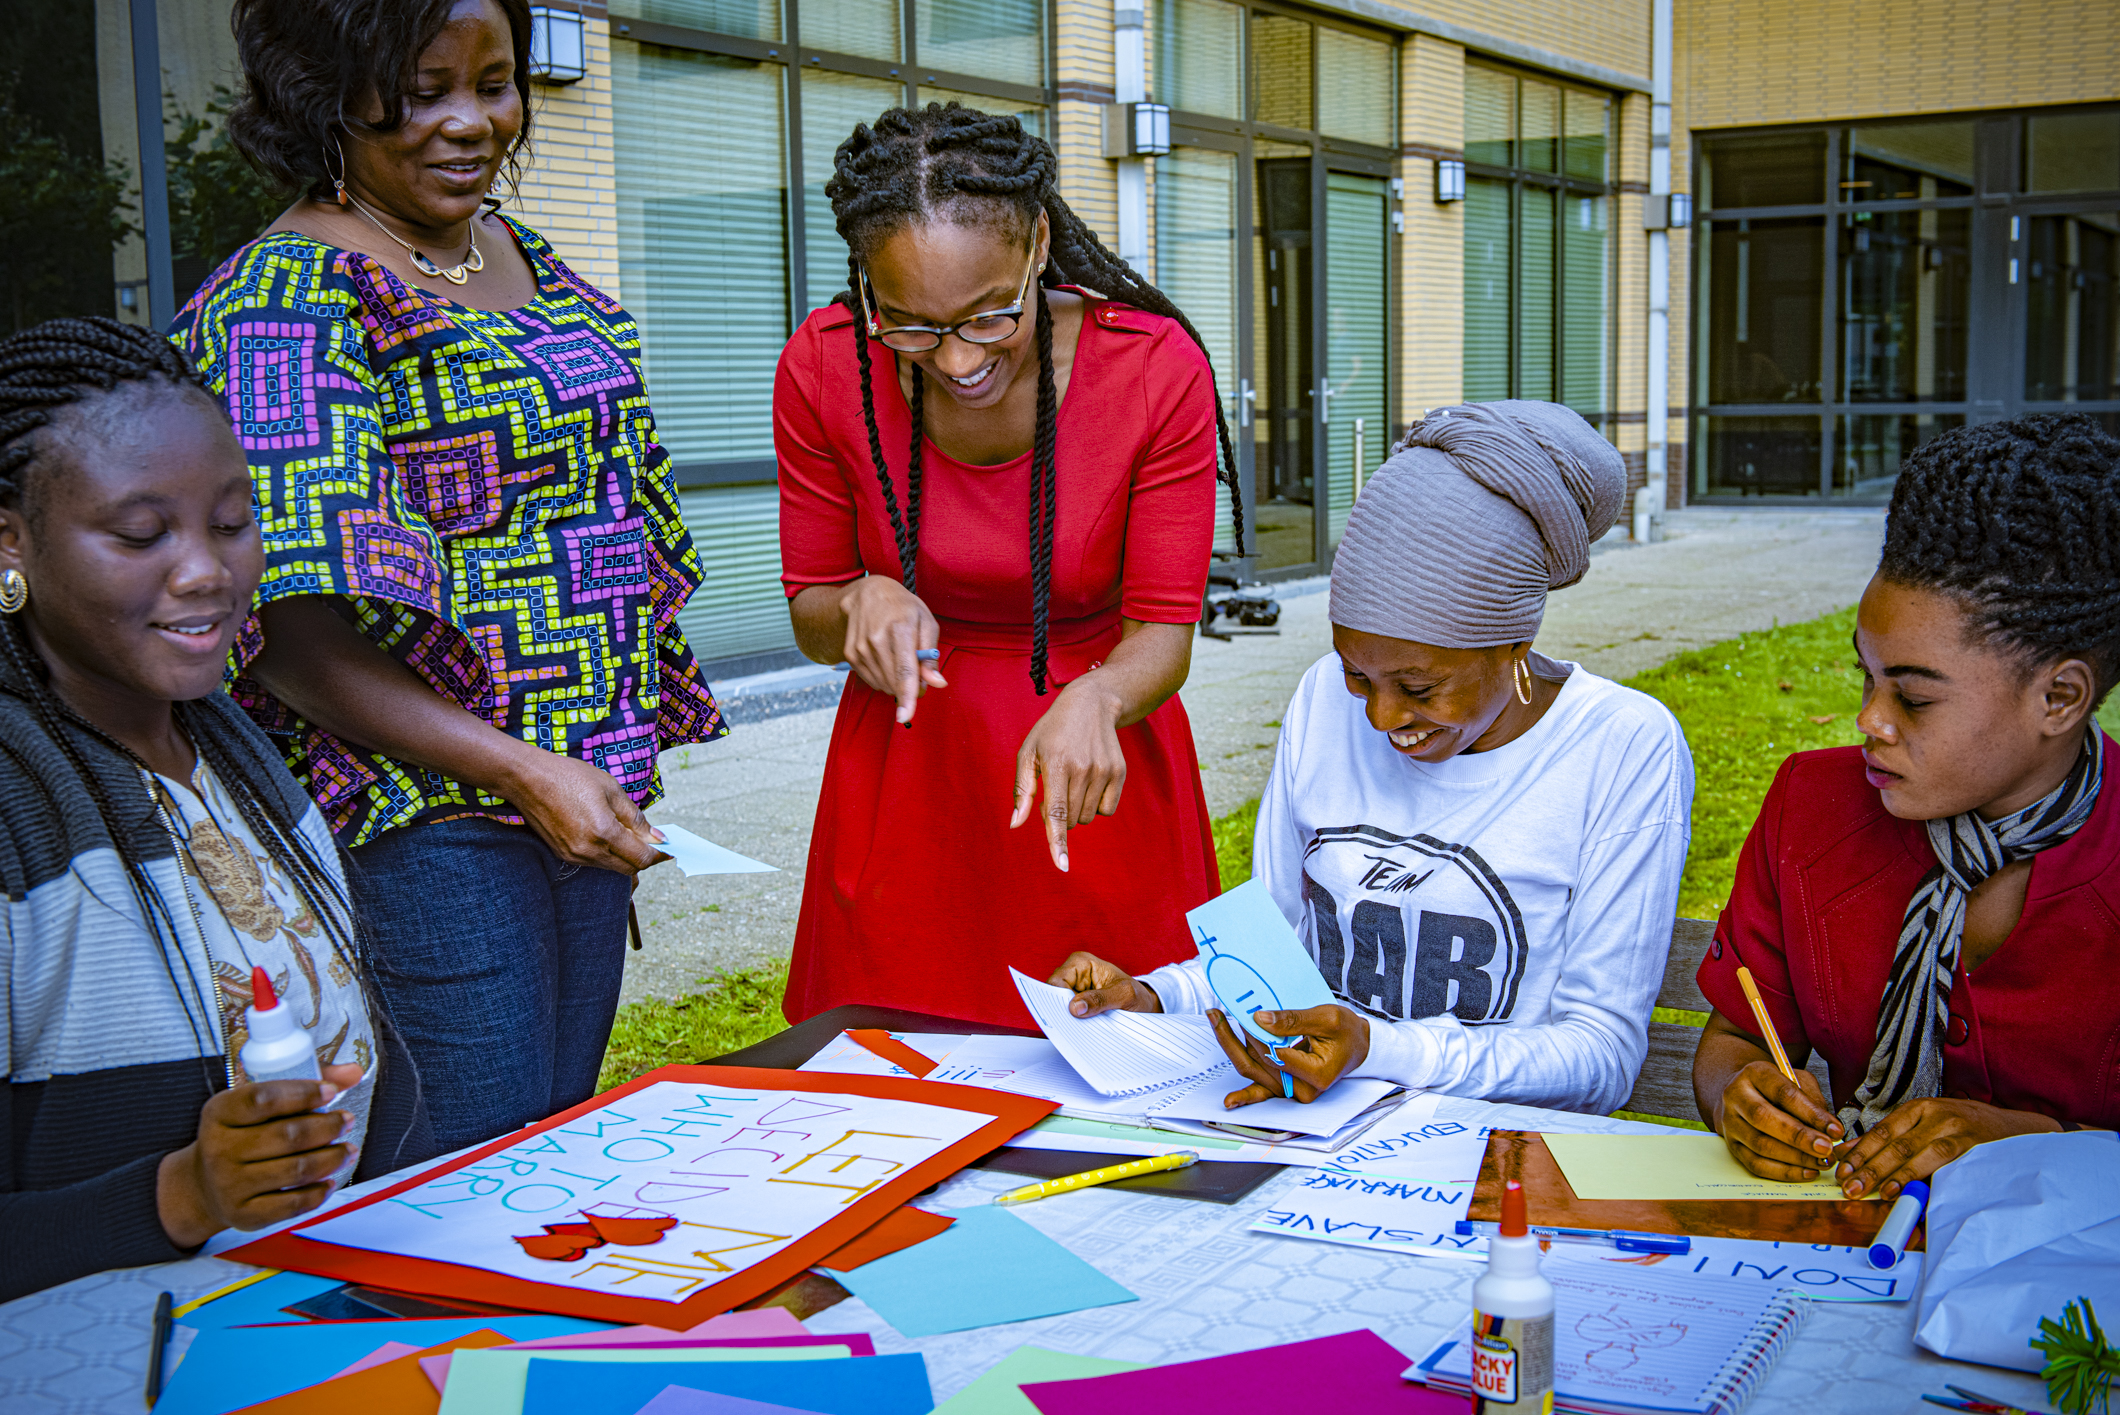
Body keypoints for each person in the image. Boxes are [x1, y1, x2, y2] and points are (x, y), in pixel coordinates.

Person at [171, 0, 724, 1155]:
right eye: (424, 90)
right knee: (459, 1180)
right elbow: (292, 628)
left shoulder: (513, 250)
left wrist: (569, 769)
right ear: (328, 95)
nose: (471, 122)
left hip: (575, 790)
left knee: (550, 1147)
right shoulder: (287, 298)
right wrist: (521, 771)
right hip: (422, 821)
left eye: (495, 80)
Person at [1053, 402, 1696, 1115]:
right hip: (1317, 1142)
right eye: (1357, 675)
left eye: (1419, 688)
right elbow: (1273, 949)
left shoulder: (1623, 747)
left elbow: (1601, 1056)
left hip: (1500, 1166)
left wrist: (1376, 1048)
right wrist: (1154, 993)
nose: (1382, 718)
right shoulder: (1321, 701)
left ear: (1514, 642)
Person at [775, 103, 1245, 1027]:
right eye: (907, 324)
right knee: (892, 1089)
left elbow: (1164, 636)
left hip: (1092, 778)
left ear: (1036, 245)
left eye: (989, 315)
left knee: (1117, 1092)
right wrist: (861, 599)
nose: (955, 360)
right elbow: (811, 612)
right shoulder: (824, 368)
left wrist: (1102, 697)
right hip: (911, 791)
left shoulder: (1153, 368)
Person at [0, 318, 429, 1302]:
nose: (206, 571)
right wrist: (181, 1193)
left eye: (232, 521)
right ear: (9, 540)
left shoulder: (233, 747)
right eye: (141, 533)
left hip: (309, 1320)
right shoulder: (17, 812)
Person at [1694, 413, 2120, 1201]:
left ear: (2059, 696)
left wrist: (2035, 1141)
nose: (1870, 720)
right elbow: (1738, 1038)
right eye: (1867, 676)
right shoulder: (1811, 808)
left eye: (1914, 697)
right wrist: (1741, 1097)